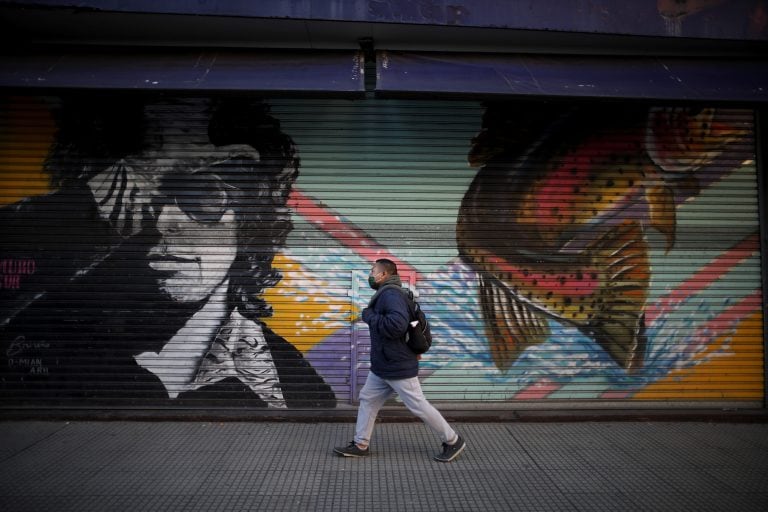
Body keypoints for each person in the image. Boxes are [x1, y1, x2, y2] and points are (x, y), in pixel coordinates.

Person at [0, 95, 334, 408]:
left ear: (251, 219)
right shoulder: (32, 342)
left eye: (202, 196)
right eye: (143, 196)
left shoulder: (294, 385)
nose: (163, 222)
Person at [334, 258, 466, 462]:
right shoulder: (389, 294)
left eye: (373, 271)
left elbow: (396, 326)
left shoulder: (390, 294)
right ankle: (361, 444)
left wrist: (369, 316)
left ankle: (452, 440)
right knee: (368, 399)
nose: (370, 275)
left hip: (397, 364)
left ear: (384, 274)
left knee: (418, 405)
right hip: (384, 365)